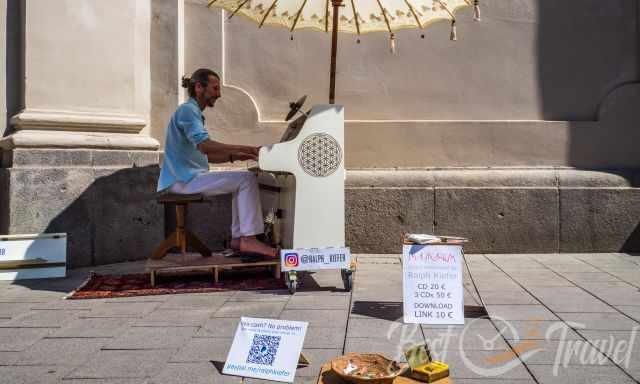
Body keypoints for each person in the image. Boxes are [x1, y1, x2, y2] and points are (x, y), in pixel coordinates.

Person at [157, 68, 277, 258]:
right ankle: (248, 239)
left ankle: (239, 239)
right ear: (198, 87)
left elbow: (206, 156)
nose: (219, 94)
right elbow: (206, 147)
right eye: (215, 88)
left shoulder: (191, 112)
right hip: (184, 181)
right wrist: (249, 148)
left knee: (243, 180)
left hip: (184, 179)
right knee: (246, 180)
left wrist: (240, 155)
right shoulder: (188, 111)